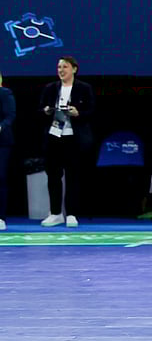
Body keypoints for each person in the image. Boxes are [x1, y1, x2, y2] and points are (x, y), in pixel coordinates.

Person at [39, 55, 95, 227]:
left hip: (74, 138)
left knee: (73, 177)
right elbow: (40, 110)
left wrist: (78, 113)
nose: (61, 70)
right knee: (53, 176)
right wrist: (47, 111)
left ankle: (71, 213)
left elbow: (92, 111)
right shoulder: (50, 88)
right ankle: (55, 213)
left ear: (74, 69)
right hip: (54, 137)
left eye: (65, 67)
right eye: (59, 68)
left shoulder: (84, 88)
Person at [0, 70, 12, 232]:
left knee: (0, 178)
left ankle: (1, 217)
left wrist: (1, 126)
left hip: (2, 142)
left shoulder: (5, 93)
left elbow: (10, 115)